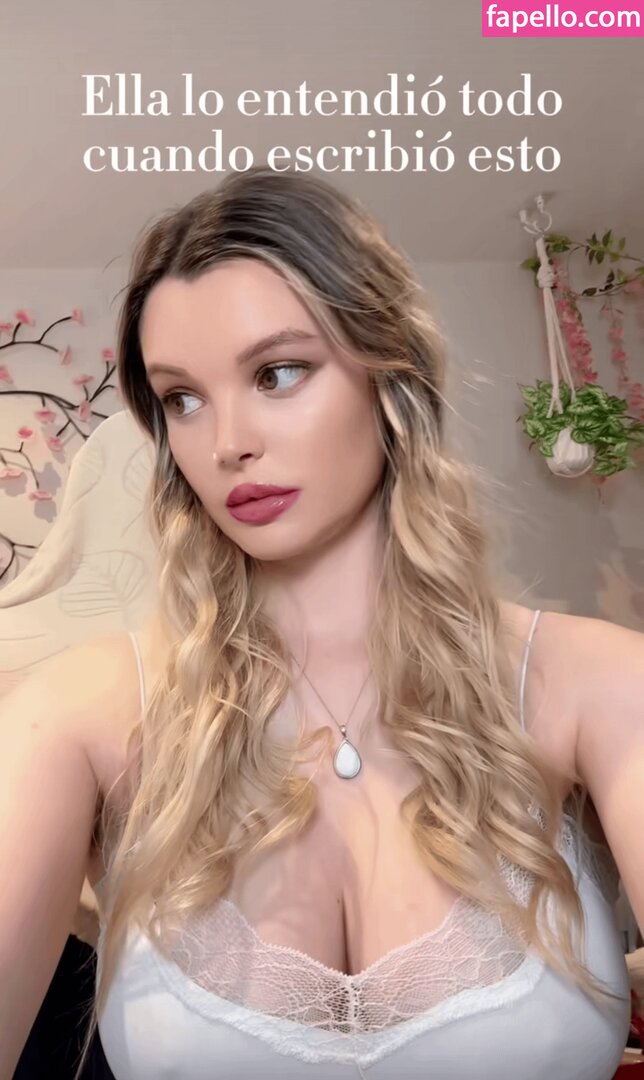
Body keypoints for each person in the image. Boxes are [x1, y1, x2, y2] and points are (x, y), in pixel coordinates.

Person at [0, 166, 640, 1080]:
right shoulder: (78, 715)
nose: (227, 442)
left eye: (278, 372)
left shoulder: (598, 685)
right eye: (182, 398)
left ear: (391, 372)